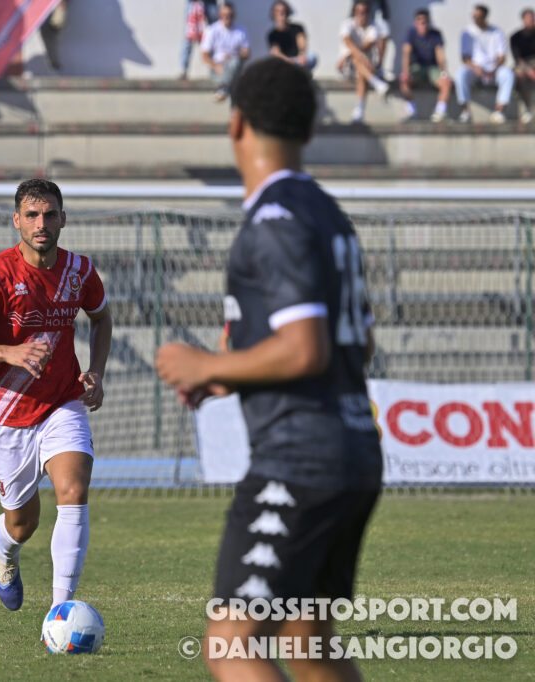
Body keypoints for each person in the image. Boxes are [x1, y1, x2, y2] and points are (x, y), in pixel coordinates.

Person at [155, 57, 381, 682]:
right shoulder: (328, 214)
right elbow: (357, 345)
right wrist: (233, 374)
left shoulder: (273, 220)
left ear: (237, 124)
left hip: (297, 462)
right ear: (310, 130)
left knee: (232, 644)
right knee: (308, 643)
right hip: (354, 452)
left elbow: (306, 349)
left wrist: (207, 362)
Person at [0, 178, 113, 612]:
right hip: (7, 412)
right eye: (32, 215)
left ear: (63, 219)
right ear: (17, 221)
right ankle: (5, 551)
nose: (41, 223)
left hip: (63, 401)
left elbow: (102, 318)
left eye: (49, 214)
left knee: (73, 491)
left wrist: (96, 371)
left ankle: (60, 613)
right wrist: (7, 352)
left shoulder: (79, 272)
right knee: (22, 523)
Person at [456, 4, 514, 125]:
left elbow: (502, 56)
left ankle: (499, 111)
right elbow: (465, 57)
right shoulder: (467, 32)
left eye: (478, 16)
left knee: (508, 74)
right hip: (474, 69)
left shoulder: (497, 32)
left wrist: (494, 69)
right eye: (474, 16)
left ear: (485, 16)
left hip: (494, 70)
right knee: (461, 74)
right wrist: (475, 68)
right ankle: (465, 111)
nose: (475, 19)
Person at [337, 0, 389, 124]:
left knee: (361, 73)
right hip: (348, 67)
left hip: (364, 67)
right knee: (357, 61)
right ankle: (376, 83)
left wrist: (353, 55)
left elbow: (366, 45)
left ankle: (359, 111)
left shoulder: (373, 27)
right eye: (359, 12)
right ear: (354, 13)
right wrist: (359, 56)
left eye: (365, 12)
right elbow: (347, 41)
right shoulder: (347, 24)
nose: (362, 15)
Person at [399, 9, 453, 122]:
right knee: (404, 80)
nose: (423, 23)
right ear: (415, 22)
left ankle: (440, 112)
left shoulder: (436, 34)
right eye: (420, 20)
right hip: (416, 67)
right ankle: (411, 111)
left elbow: (440, 55)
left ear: (429, 22)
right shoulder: (410, 33)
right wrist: (405, 72)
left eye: (425, 21)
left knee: (447, 83)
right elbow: (406, 53)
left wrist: (444, 73)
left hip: (432, 68)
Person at [200, 3, 251, 102]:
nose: (227, 18)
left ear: (233, 15)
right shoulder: (212, 30)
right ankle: (227, 90)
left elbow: (247, 53)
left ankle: (223, 88)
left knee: (234, 62)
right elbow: (204, 56)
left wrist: (233, 56)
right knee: (234, 79)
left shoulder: (241, 31)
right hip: (217, 67)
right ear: (219, 15)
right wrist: (216, 66)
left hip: (235, 66)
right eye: (224, 15)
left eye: (229, 15)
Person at [267, 1, 316, 72]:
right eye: (278, 11)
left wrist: (302, 54)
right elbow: (275, 53)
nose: (282, 14)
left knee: (312, 57)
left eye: (284, 11)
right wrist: (288, 60)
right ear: (274, 14)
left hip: (298, 60)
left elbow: (302, 42)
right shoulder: (272, 34)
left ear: (287, 13)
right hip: (284, 61)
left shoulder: (297, 27)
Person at [180, 0, 219, 79]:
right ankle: (184, 69)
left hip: (210, 2)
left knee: (216, 34)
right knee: (189, 35)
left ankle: (217, 68)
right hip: (193, 2)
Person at [511, 8, 535, 124]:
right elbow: (518, 59)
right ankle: (527, 108)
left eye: (532, 18)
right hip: (524, 66)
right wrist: (529, 70)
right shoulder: (515, 37)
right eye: (529, 18)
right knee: (519, 74)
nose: (531, 20)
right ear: (523, 20)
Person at [39, 0, 67, 71]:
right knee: (48, 33)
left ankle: (54, 63)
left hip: (55, 7)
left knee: (52, 31)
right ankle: (53, 63)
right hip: (45, 7)